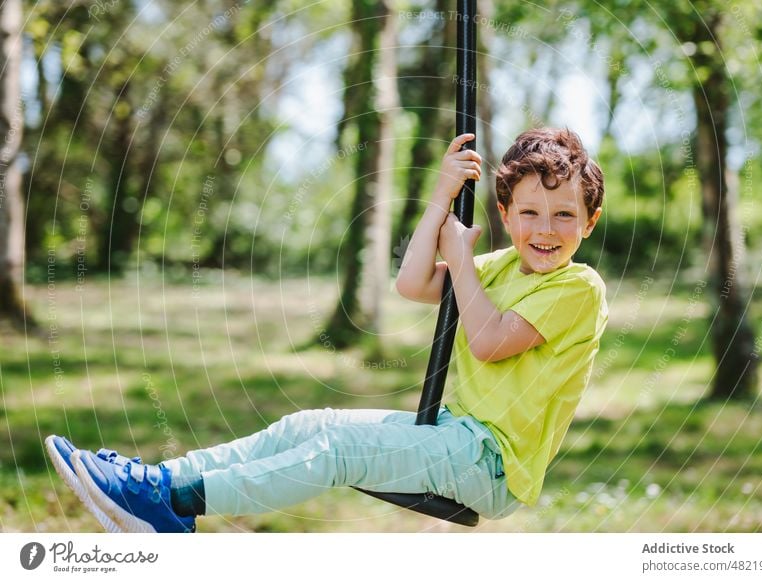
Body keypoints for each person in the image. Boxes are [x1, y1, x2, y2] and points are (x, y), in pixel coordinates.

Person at [46, 127, 607, 533]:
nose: (546, 230)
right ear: (505, 215)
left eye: (564, 215)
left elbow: (488, 343)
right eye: (530, 213)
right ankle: (159, 482)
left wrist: (460, 259)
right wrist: (441, 200)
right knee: (309, 423)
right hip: (454, 434)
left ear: (590, 221)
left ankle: (175, 501)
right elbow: (412, 284)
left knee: (337, 449)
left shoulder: (578, 288)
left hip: (491, 464)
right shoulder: (500, 266)